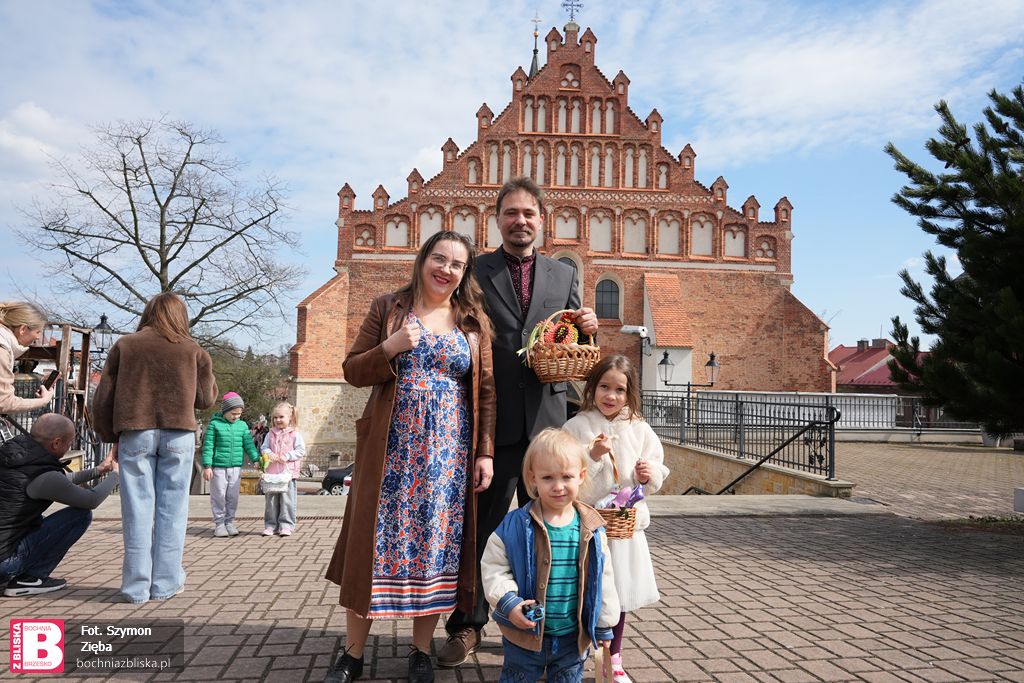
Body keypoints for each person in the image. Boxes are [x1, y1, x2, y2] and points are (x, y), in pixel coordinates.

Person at [440, 176, 599, 666]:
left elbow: (569, 335)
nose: (520, 221)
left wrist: (588, 326)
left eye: (529, 213)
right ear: (498, 219)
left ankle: (547, 625)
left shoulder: (562, 273)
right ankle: (466, 625)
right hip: (491, 421)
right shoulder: (477, 269)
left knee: (552, 531)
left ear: (541, 219)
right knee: (483, 528)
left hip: (548, 426)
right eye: (511, 213)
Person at [324, 230, 496, 683]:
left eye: (457, 264)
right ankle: (353, 655)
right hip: (392, 451)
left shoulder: (473, 321)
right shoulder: (389, 307)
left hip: (448, 458)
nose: (446, 269)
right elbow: (352, 369)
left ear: (464, 274)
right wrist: (390, 347)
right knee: (374, 548)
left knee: (435, 552)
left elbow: (486, 394)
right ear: (423, 260)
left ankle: (420, 652)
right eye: (439, 258)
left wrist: (485, 453)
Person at [93, 291, 219, 604]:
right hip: (179, 434)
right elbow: (206, 399)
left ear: (149, 313)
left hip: (136, 431)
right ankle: (165, 584)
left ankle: (136, 588)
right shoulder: (193, 350)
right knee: (173, 510)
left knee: (137, 509)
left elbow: (103, 397)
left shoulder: (125, 345)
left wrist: (111, 435)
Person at [481, 428, 619, 682]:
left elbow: (603, 579)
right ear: (532, 479)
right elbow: (494, 567)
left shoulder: (592, 528)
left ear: (581, 476)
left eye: (566, 477)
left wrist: (603, 624)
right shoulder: (514, 526)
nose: (558, 487)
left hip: (572, 639)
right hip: (523, 637)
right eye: (547, 478)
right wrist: (509, 603)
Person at [563, 355, 670, 683]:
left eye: (619, 390)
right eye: (604, 387)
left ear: (630, 393)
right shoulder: (577, 425)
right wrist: (591, 457)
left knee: (617, 595)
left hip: (623, 530)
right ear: (592, 388)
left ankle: (615, 655)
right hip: (587, 525)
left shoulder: (639, 428)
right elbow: (566, 472)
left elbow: (658, 469)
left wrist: (646, 475)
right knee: (581, 591)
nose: (610, 396)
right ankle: (577, 650)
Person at [0, 414, 118, 596]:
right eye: (69, 443)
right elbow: (91, 500)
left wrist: (98, 471)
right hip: (4, 564)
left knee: (38, 519)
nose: (69, 447)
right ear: (56, 443)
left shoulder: (16, 457)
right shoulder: (42, 474)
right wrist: (117, 475)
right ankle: (31, 578)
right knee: (79, 515)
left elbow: (60, 482)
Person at [201, 392, 260, 538]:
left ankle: (229, 522)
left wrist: (256, 458)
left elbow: (249, 444)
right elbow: (208, 446)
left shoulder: (242, 426)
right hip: (219, 467)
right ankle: (219, 523)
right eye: (233, 413)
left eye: (239, 414)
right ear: (225, 411)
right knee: (219, 495)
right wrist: (207, 466)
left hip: (235, 467)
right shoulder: (215, 424)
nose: (236, 417)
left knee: (232, 496)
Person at [0, 301, 56, 416]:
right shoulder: (2, 350)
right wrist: (42, 401)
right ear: (23, 329)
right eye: (38, 332)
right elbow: (4, 403)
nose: (38, 337)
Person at [259, 401, 305, 537]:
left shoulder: (295, 434)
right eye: (275, 417)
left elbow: (300, 450)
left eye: (281, 417)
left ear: (290, 417)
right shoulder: (270, 434)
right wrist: (269, 454)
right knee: (271, 502)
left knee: (287, 501)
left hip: (288, 474)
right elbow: (264, 447)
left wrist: (287, 456)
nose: (278, 420)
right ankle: (270, 525)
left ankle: (286, 525)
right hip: (272, 474)